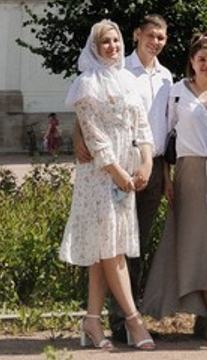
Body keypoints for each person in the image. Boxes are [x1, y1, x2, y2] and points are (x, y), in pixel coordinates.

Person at [58, 19, 156, 351]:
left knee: (105, 251)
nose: (112, 47)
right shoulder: (86, 84)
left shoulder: (128, 81)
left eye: (115, 41)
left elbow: (142, 127)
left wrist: (146, 162)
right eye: (105, 43)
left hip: (126, 175)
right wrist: (116, 173)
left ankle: (91, 322)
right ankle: (133, 320)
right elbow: (94, 137)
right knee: (112, 251)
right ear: (95, 48)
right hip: (100, 177)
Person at [141, 32, 207, 344]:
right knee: (194, 247)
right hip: (190, 176)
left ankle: (206, 319)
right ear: (192, 63)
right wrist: (168, 179)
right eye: (202, 60)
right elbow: (166, 135)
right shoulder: (176, 93)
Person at [107, 15, 172, 343]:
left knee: (139, 244)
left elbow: (166, 126)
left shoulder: (166, 78)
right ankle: (120, 320)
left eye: (161, 37)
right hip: (124, 166)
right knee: (120, 244)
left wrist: (163, 172)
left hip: (154, 167)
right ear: (137, 35)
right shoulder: (120, 71)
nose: (156, 42)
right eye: (151, 35)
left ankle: (133, 316)